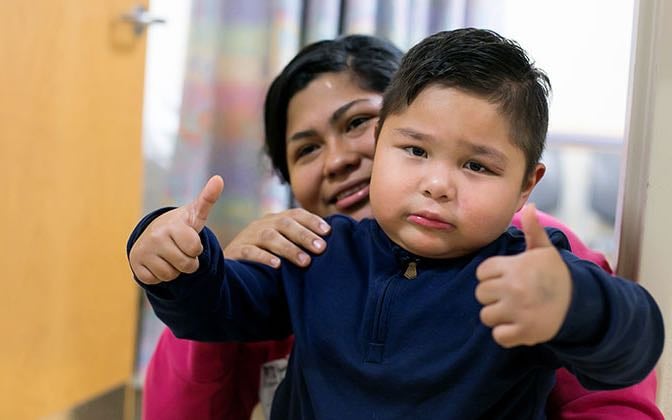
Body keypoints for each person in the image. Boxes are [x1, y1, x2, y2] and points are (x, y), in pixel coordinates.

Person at [129, 29, 664, 419]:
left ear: (526, 184)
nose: (438, 183)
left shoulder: (531, 266)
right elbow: (214, 309)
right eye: (415, 150)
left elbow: (630, 348)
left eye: (476, 165)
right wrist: (178, 257)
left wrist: (575, 305)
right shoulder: (315, 251)